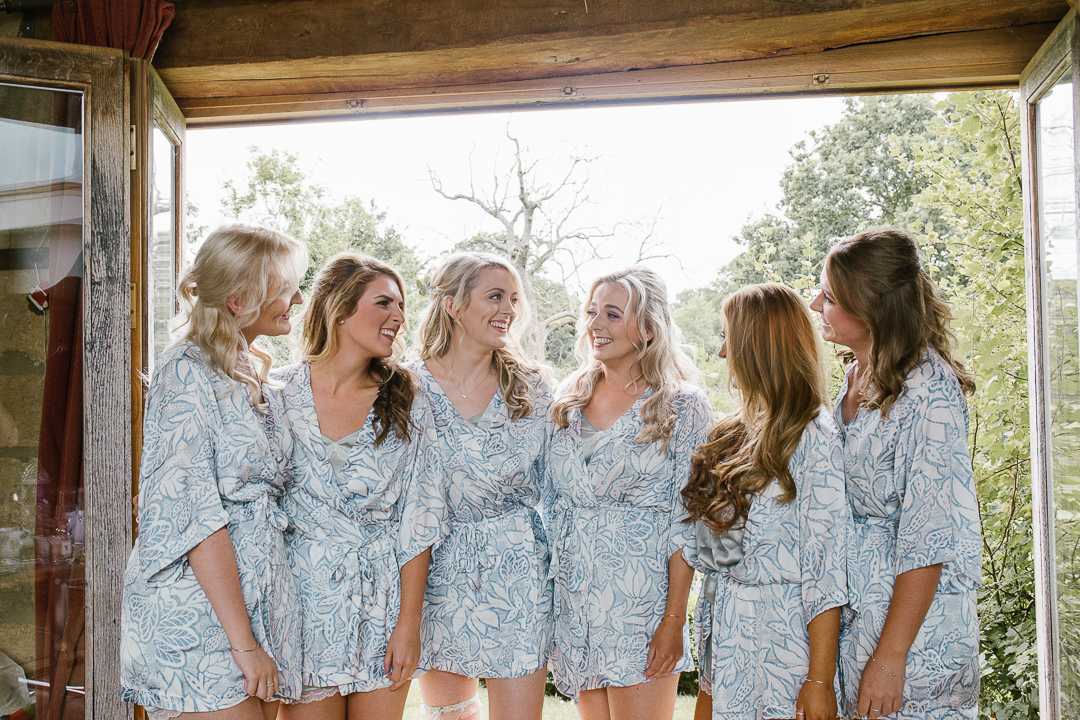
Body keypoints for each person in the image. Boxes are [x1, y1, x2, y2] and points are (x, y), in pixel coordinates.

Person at [120, 223, 307, 720]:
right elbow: (193, 516)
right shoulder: (185, 367)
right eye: (286, 287)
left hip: (258, 598)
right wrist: (243, 644)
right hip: (203, 611)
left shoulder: (248, 369)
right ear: (239, 298)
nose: (299, 297)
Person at [809, 227, 981, 720]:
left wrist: (891, 657)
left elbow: (930, 534)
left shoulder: (927, 390)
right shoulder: (854, 373)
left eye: (832, 296)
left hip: (912, 632)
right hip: (857, 614)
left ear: (872, 309)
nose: (817, 301)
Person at [272, 252, 447, 720]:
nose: (399, 318)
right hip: (301, 604)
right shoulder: (276, 394)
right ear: (340, 307)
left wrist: (409, 624)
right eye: (384, 303)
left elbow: (420, 515)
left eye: (402, 306)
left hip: (382, 602)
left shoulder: (409, 397)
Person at [546, 266, 713, 720]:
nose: (595, 325)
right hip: (576, 598)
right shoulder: (568, 398)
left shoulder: (683, 405)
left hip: (642, 604)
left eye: (613, 315)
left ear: (649, 328)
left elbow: (691, 521)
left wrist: (673, 620)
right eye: (591, 312)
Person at [681, 282, 851, 720]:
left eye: (728, 338)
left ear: (758, 346)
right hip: (729, 634)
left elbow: (826, 573)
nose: (722, 353)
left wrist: (819, 681)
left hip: (785, 642)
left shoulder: (815, 437)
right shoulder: (733, 432)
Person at [409, 252, 554, 720]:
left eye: (513, 299)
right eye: (494, 296)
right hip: (437, 568)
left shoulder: (532, 386)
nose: (508, 310)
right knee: (450, 716)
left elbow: (560, 485)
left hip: (519, 569)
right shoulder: (406, 386)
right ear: (452, 304)